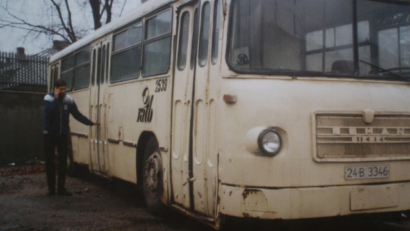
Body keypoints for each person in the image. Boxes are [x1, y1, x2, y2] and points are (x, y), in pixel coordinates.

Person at [43, 79, 99, 196]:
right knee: (50, 162)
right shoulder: (48, 99)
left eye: (64, 89)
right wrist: (57, 99)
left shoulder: (68, 100)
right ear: (56, 89)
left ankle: (61, 188)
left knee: (63, 161)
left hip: (63, 134)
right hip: (49, 134)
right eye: (61, 89)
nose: (63, 91)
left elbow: (77, 114)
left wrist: (90, 122)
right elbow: (49, 114)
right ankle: (51, 189)